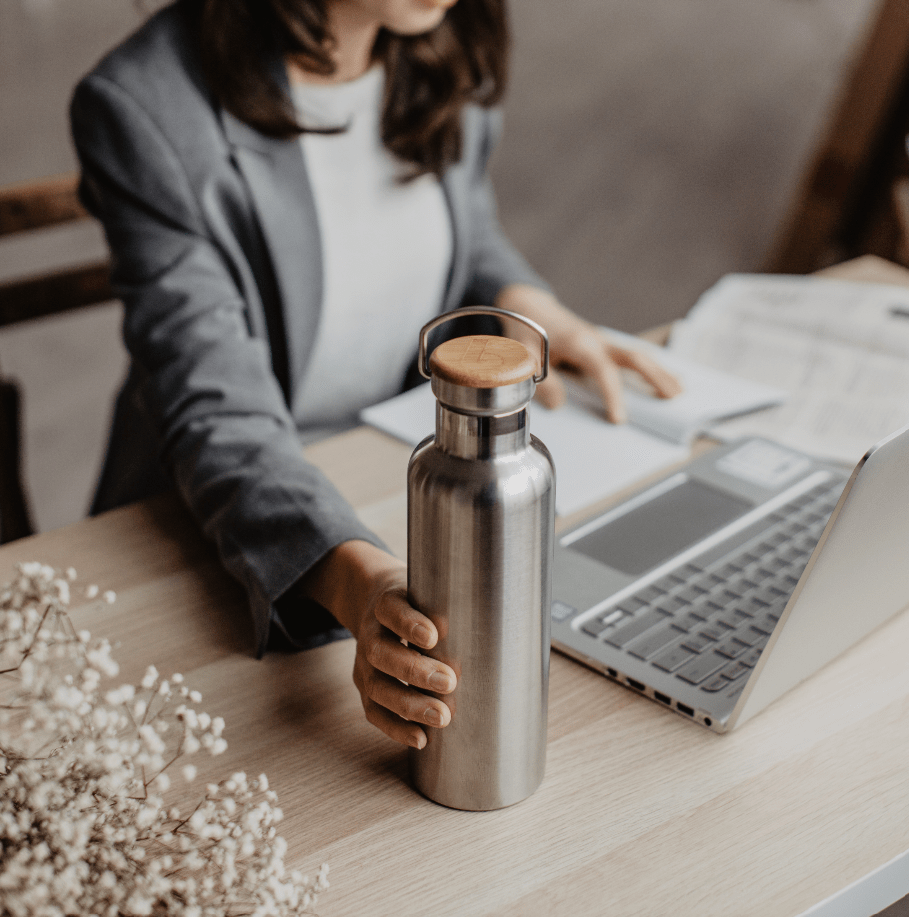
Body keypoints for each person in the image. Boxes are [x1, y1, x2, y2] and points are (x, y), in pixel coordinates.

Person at [70, 0, 681, 752]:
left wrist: (528, 306)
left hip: (391, 463)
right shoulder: (143, 108)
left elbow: (460, 224)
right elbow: (219, 411)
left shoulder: (433, 35)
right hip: (227, 523)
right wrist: (360, 586)